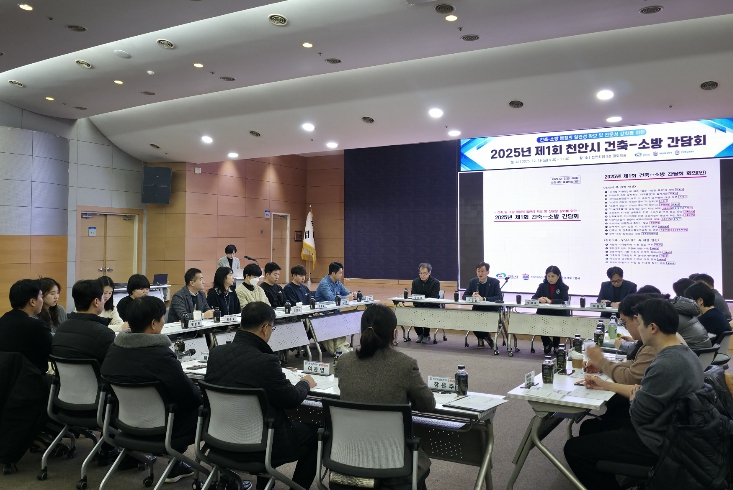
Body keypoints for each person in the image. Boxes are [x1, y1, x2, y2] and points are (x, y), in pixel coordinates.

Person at [564, 298, 704, 490]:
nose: (637, 329)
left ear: (652, 327)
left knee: (573, 449)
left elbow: (639, 413)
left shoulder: (666, 364)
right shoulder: (682, 353)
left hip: (657, 441)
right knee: (590, 427)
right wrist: (628, 391)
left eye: (640, 324)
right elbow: (645, 393)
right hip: (672, 431)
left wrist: (635, 396)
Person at [205, 302, 317, 490]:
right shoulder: (266, 362)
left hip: (219, 439)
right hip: (261, 445)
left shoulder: (215, 354)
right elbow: (291, 400)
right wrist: (305, 383)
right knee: (317, 433)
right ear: (265, 328)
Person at [102, 296, 201, 483]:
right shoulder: (161, 355)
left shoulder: (114, 350)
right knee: (202, 409)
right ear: (154, 324)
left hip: (124, 424)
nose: (164, 322)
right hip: (164, 428)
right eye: (163, 318)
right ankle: (185, 467)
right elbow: (189, 396)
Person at [338, 304, 435, 488]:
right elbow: (428, 405)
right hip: (393, 463)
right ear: (393, 334)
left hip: (350, 457)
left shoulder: (344, 362)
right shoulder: (405, 365)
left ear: (361, 332)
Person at [581, 294, 656, 435]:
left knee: (586, 432)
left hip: (648, 426)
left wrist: (601, 362)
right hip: (650, 415)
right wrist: (603, 366)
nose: (637, 328)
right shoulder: (664, 341)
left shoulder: (654, 345)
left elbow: (631, 379)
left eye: (624, 322)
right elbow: (636, 365)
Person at [52, 279, 115, 366]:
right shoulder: (104, 334)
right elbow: (112, 367)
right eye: (103, 298)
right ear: (96, 302)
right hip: (94, 375)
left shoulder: (61, 328)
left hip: (63, 375)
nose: (104, 301)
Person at [0, 279, 52, 374]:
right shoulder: (36, 326)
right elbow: (54, 351)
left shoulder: (2, 320)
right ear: (32, 302)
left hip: (5, 379)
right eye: (41, 296)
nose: (42, 301)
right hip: (32, 379)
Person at [314, 262, 354, 353]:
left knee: (341, 319)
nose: (341, 275)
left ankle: (341, 346)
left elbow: (346, 292)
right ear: (333, 273)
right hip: (323, 314)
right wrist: (346, 298)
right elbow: (332, 299)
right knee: (338, 321)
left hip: (333, 313)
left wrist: (353, 294)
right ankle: (339, 348)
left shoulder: (337, 282)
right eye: (340, 273)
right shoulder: (324, 283)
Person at [462, 261, 501, 349]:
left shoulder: (494, 282)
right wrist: (472, 296)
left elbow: (499, 297)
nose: (480, 273)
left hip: (491, 310)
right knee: (471, 321)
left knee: (481, 320)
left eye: (482, 271)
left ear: (488, 272)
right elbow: (464, 296)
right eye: (478, 271)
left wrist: (483, 299)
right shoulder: (473, 281)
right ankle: (487, 337)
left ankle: (481, 338)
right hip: (477, 309)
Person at [532, 265, 569, 354]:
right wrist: (539, 299)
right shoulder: (542, 286)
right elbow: (534, 297)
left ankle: (556, 345)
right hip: (544, 312)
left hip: (558, 313)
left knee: (556, 323)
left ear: (558, 276)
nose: (550, 278)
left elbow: (564, 300)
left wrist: (551, 301)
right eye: (548, 276)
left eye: (553, 276)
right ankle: (547, 343)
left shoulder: (563, 287)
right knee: (539, 322)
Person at [410, 263, 441, 344]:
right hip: (419, 306)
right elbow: (414, 296)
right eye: (420, 273)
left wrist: (424, 306)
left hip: (432, 306)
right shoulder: (415, 282)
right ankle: (420, 334)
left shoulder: (435, 282)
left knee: (427, 312)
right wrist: (419, 306)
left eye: (424, 273)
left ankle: (426, 335)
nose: (422, 275)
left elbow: (434, 297)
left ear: (429, 273)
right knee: (413, 313)